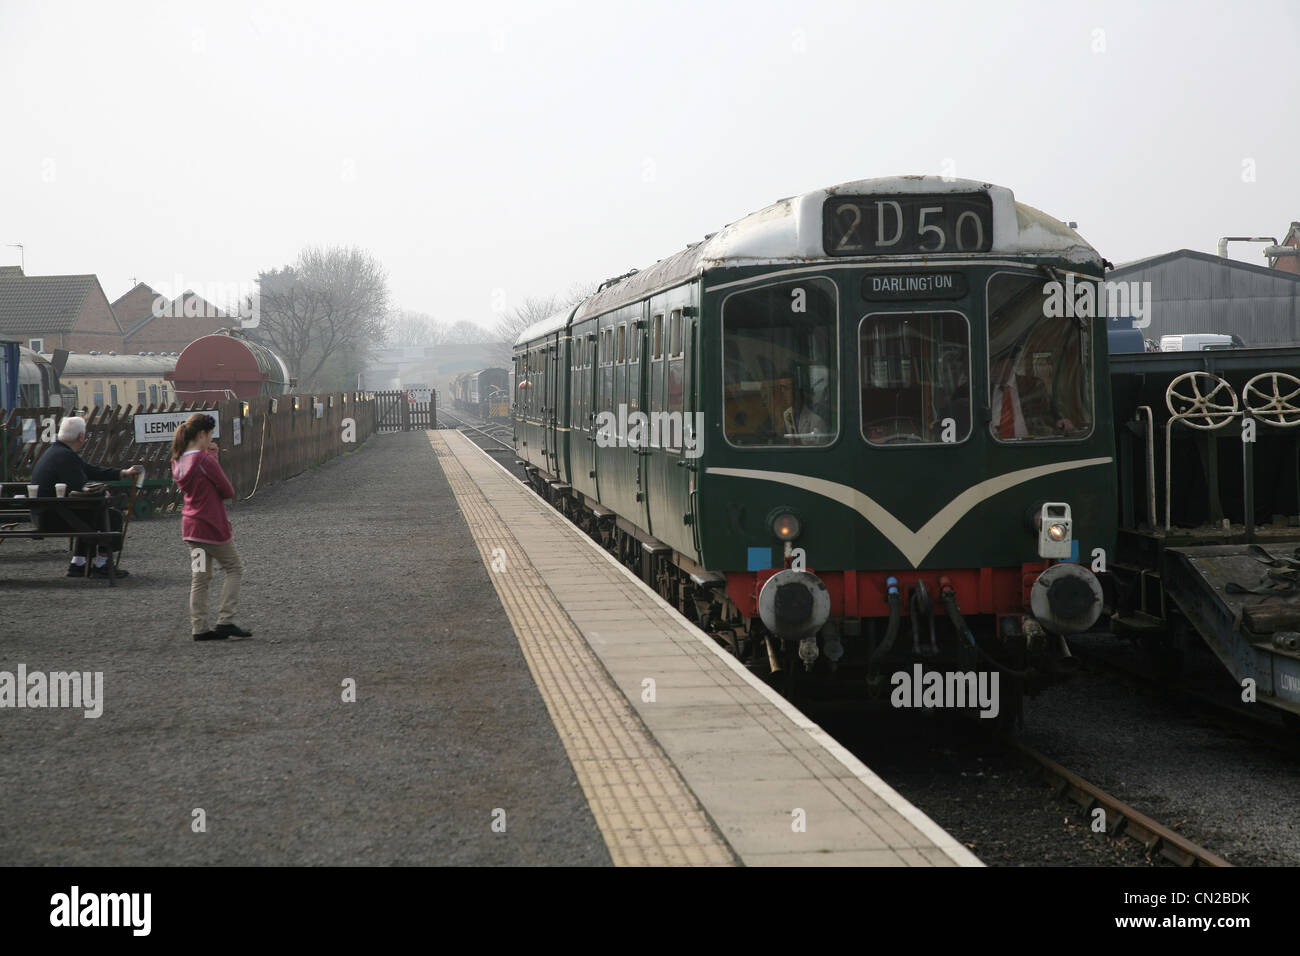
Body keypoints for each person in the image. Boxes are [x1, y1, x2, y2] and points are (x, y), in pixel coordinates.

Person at [170, 414, 251, 642]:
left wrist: (211, 454)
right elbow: (227, 490)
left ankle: (199, 627)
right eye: (210, 436)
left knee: (200, 577)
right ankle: (225, 620)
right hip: (211, 525)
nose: (211, 440)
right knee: (234, 568)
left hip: (191, 527)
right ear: (203, 434)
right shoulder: (204, 460)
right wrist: (212, 456)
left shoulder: (177, 460)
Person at [31, 416, 142, 578]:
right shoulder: (65, 456)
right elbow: (80, 487)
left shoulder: (57, 451)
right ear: (81, 436)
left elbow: (88, 470)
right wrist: (102, 493)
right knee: (113, 517)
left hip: (44, 513)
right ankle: (102, 565)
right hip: (51, 516)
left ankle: (78, 563)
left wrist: (122, 473)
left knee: (86, 515)